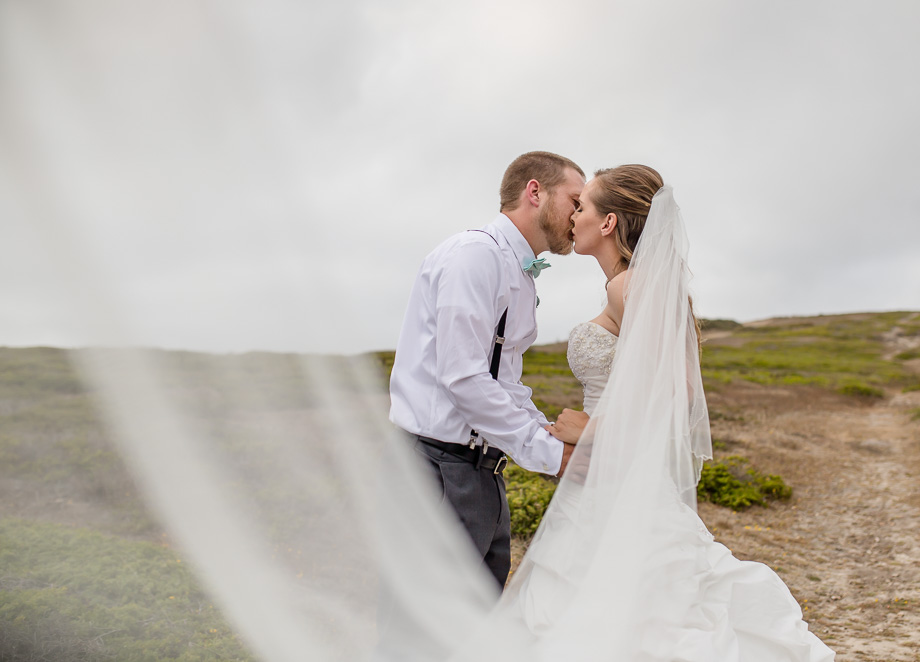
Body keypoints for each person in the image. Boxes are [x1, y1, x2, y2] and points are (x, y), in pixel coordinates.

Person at [497, 165, 835, 660]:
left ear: (609, 222)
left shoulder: (627, 287)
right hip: (612, 470)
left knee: (624, 604)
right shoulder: (635, 284)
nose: (573, 215)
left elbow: (674, 394)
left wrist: (593, 431)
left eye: (583, 206)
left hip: (618, 468)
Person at [388, 151, 585, 590]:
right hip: (436, 469)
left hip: (481, 471)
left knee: (476, 620)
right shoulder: (474, 256)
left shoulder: (517, 269)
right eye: (575, 199)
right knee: (424, 625)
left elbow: (503, 381)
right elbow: (464, 377)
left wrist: (546, 430)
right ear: (535, 191)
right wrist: (550, 455)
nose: (579, 214)